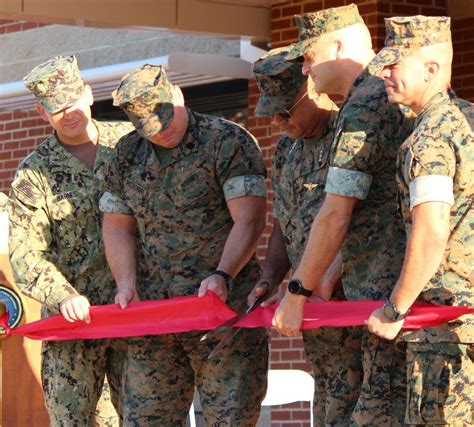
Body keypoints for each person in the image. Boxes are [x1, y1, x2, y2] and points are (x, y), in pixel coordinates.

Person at [99, 64, 268, 426]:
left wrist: (223, 273)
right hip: (156, 316)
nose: (161, 131)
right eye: (150, 128)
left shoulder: (227, 140)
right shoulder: (127, 153)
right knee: (146, 419)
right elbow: (117, 226)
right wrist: (126, 282)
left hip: (222, 314)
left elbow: (250, 220)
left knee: (230, 419)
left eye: (165, 118)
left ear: (178, 94)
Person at [272, 4, 414, 425]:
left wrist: (298, 291)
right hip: (386, 293)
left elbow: (337, 214)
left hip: (385, 297)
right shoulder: (381, 96)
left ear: (338, 45)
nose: (305, 68)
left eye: (309, 55)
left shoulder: (366, 103)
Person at [8, 55, 132, 426]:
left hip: (134, 315)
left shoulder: (131, 145)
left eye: (73, 100)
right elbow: (25, 254)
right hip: (73, 324)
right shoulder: (34, 173)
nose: (69, 112)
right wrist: (63, 295)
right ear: (41, 112)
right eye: (57, 107)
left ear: (90, 94)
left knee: (143, 418)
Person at [367, 16, 473, 425]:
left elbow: (430, 233)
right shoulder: (468, 122)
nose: (384, 72)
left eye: (395, 63)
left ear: (431, 70)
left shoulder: (430, 140)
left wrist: (394, 309)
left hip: (445, 332)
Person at [250, 46, 363, 425]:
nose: (279, 122)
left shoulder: (351, 135)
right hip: (315, 312)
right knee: (331, 405)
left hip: (355, 305)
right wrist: (271, 276)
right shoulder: (287, 150)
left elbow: (360, 221)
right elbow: (283, 222)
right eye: (272, 114)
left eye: (286, 111)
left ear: (314, 89)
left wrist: (320, 277)